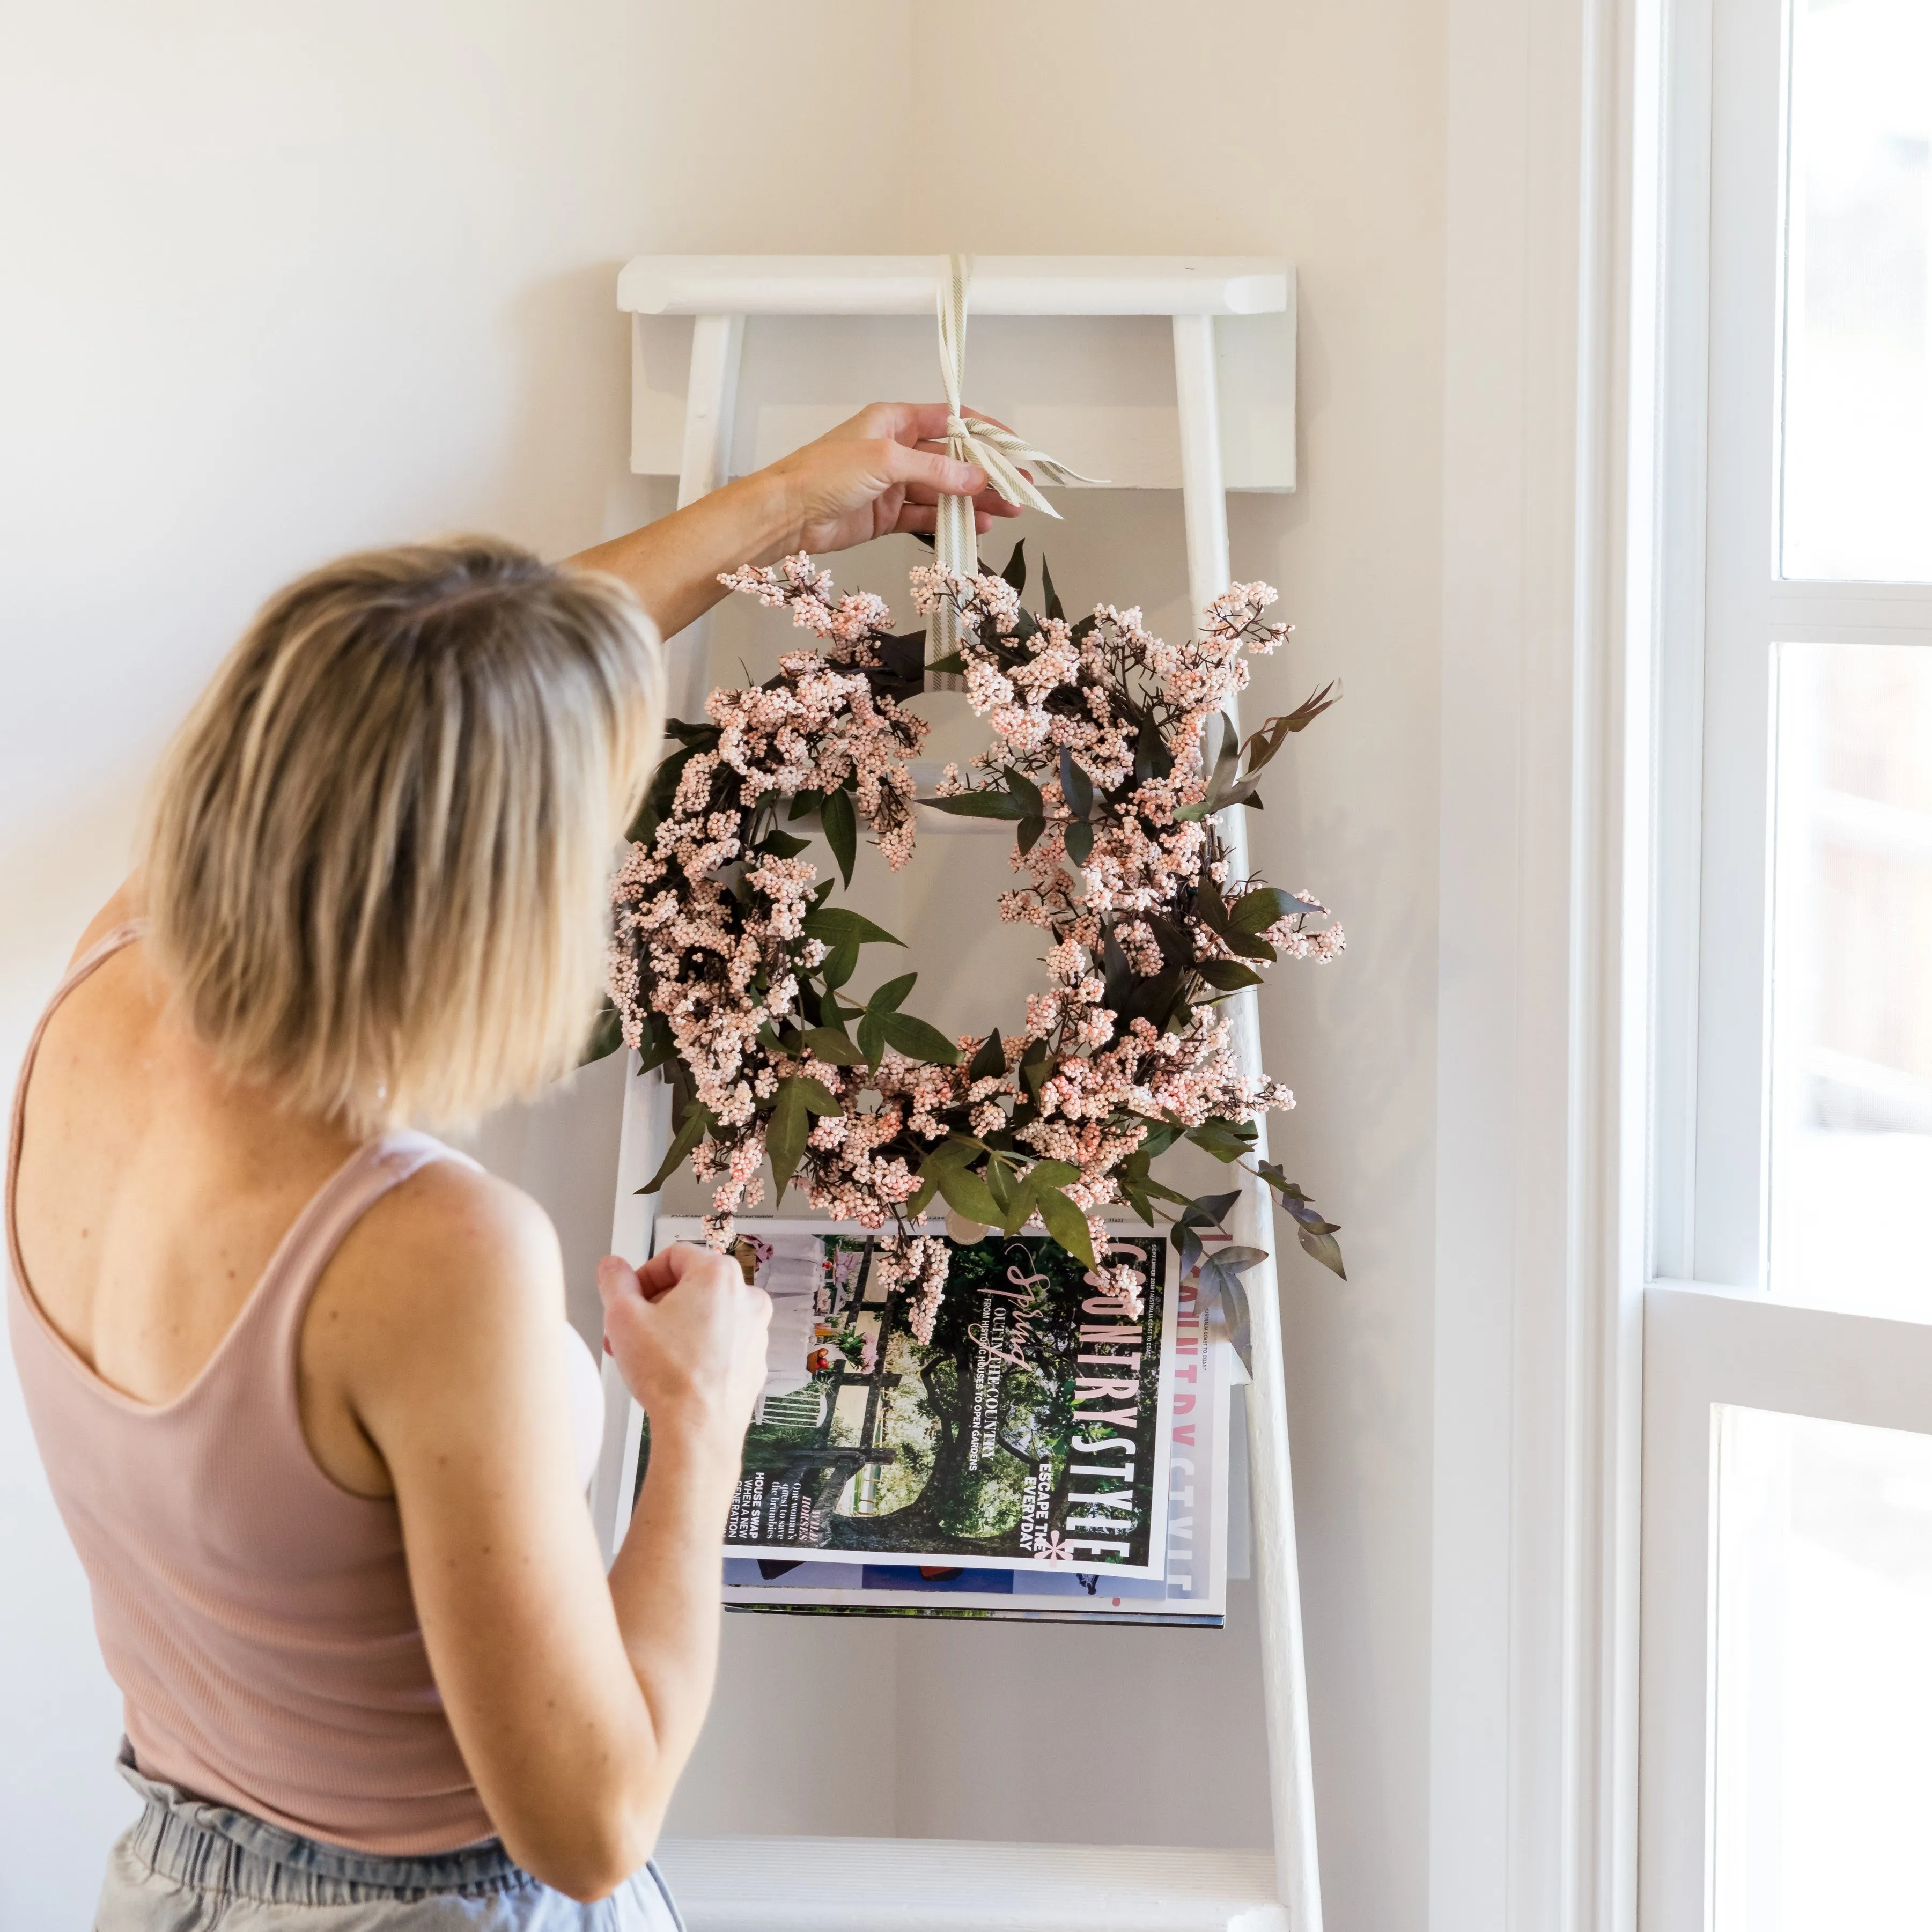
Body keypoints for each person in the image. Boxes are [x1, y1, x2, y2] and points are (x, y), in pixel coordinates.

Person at [6, 406, 1020, 1929]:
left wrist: (792, 502)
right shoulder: (429, 1250)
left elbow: (457, 688)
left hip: (169, 1883)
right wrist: (701, 1423)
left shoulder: (101, 985)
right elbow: (592, 1823)